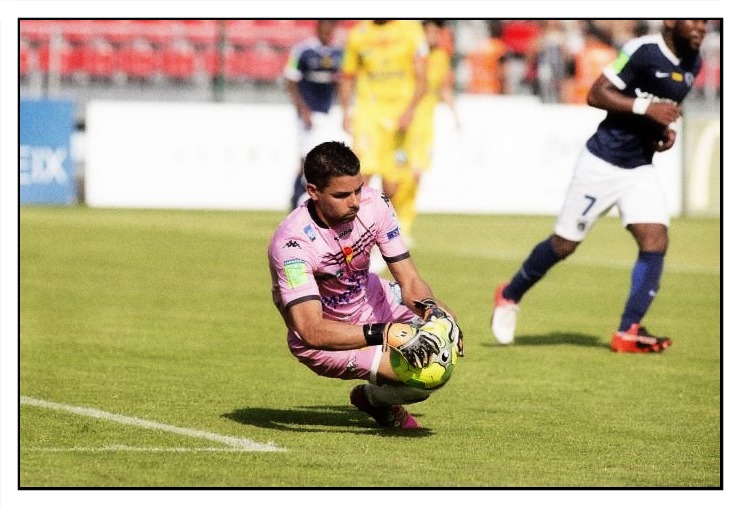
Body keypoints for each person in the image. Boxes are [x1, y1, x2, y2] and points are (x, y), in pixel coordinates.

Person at [491, 20, 707, 353]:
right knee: (564, 244)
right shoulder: (642, 51)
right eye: (694, 19)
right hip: (601, 163)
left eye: (706, 21)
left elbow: (662, 108)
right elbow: (596, 93)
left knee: (655, 238)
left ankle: (628, 330)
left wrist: (663, 130)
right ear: (670, 21)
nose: (701, 27)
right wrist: (646, 108)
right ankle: (509, 295)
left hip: (639, 167)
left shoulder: (694, 62)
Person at [268, 141, 463, 429]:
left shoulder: (375, 204)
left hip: (373, 297)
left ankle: (373, 397)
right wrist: (385, 333)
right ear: (313, 191)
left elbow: (409, 279)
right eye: (341, 195)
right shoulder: (292, 245)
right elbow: (311, 330)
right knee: (428, 371)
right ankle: (373, 399)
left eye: (358, 189)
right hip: (329, 336)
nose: (355, 202)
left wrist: (433, 312)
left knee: (445, 328)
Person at [339, 20, 428, 244]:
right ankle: (358, 233)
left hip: (399, 116)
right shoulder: (358, 34)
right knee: (362, 174)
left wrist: (410, 111)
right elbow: (347, 76)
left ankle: (386, 230)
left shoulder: (411, 30)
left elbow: (422, 78)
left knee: (392, 185)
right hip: (368, 114)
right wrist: (345, 111)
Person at [404, 20, 460, 243]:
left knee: (416, 175)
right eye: (429, 31)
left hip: (424, 125)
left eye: (437, 31)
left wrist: (455, 114)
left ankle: (403, 225)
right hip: (405, 119)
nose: (433, 36)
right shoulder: (411, 53)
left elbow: (444, 88)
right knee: (397, 177)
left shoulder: (441, 57)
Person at [284, 20, 345, 210]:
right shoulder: (303, 51)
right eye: (325, 27)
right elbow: (290, 80)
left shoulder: (338, 52)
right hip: (309, 114)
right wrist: (303, 109)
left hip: (329, 114)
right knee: (307, 160)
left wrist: (343, 109)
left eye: (331, 27)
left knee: (327, 161)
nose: (328, 31)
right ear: (318, 27)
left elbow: (342, 82)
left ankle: (317, 205)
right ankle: (295, 201)